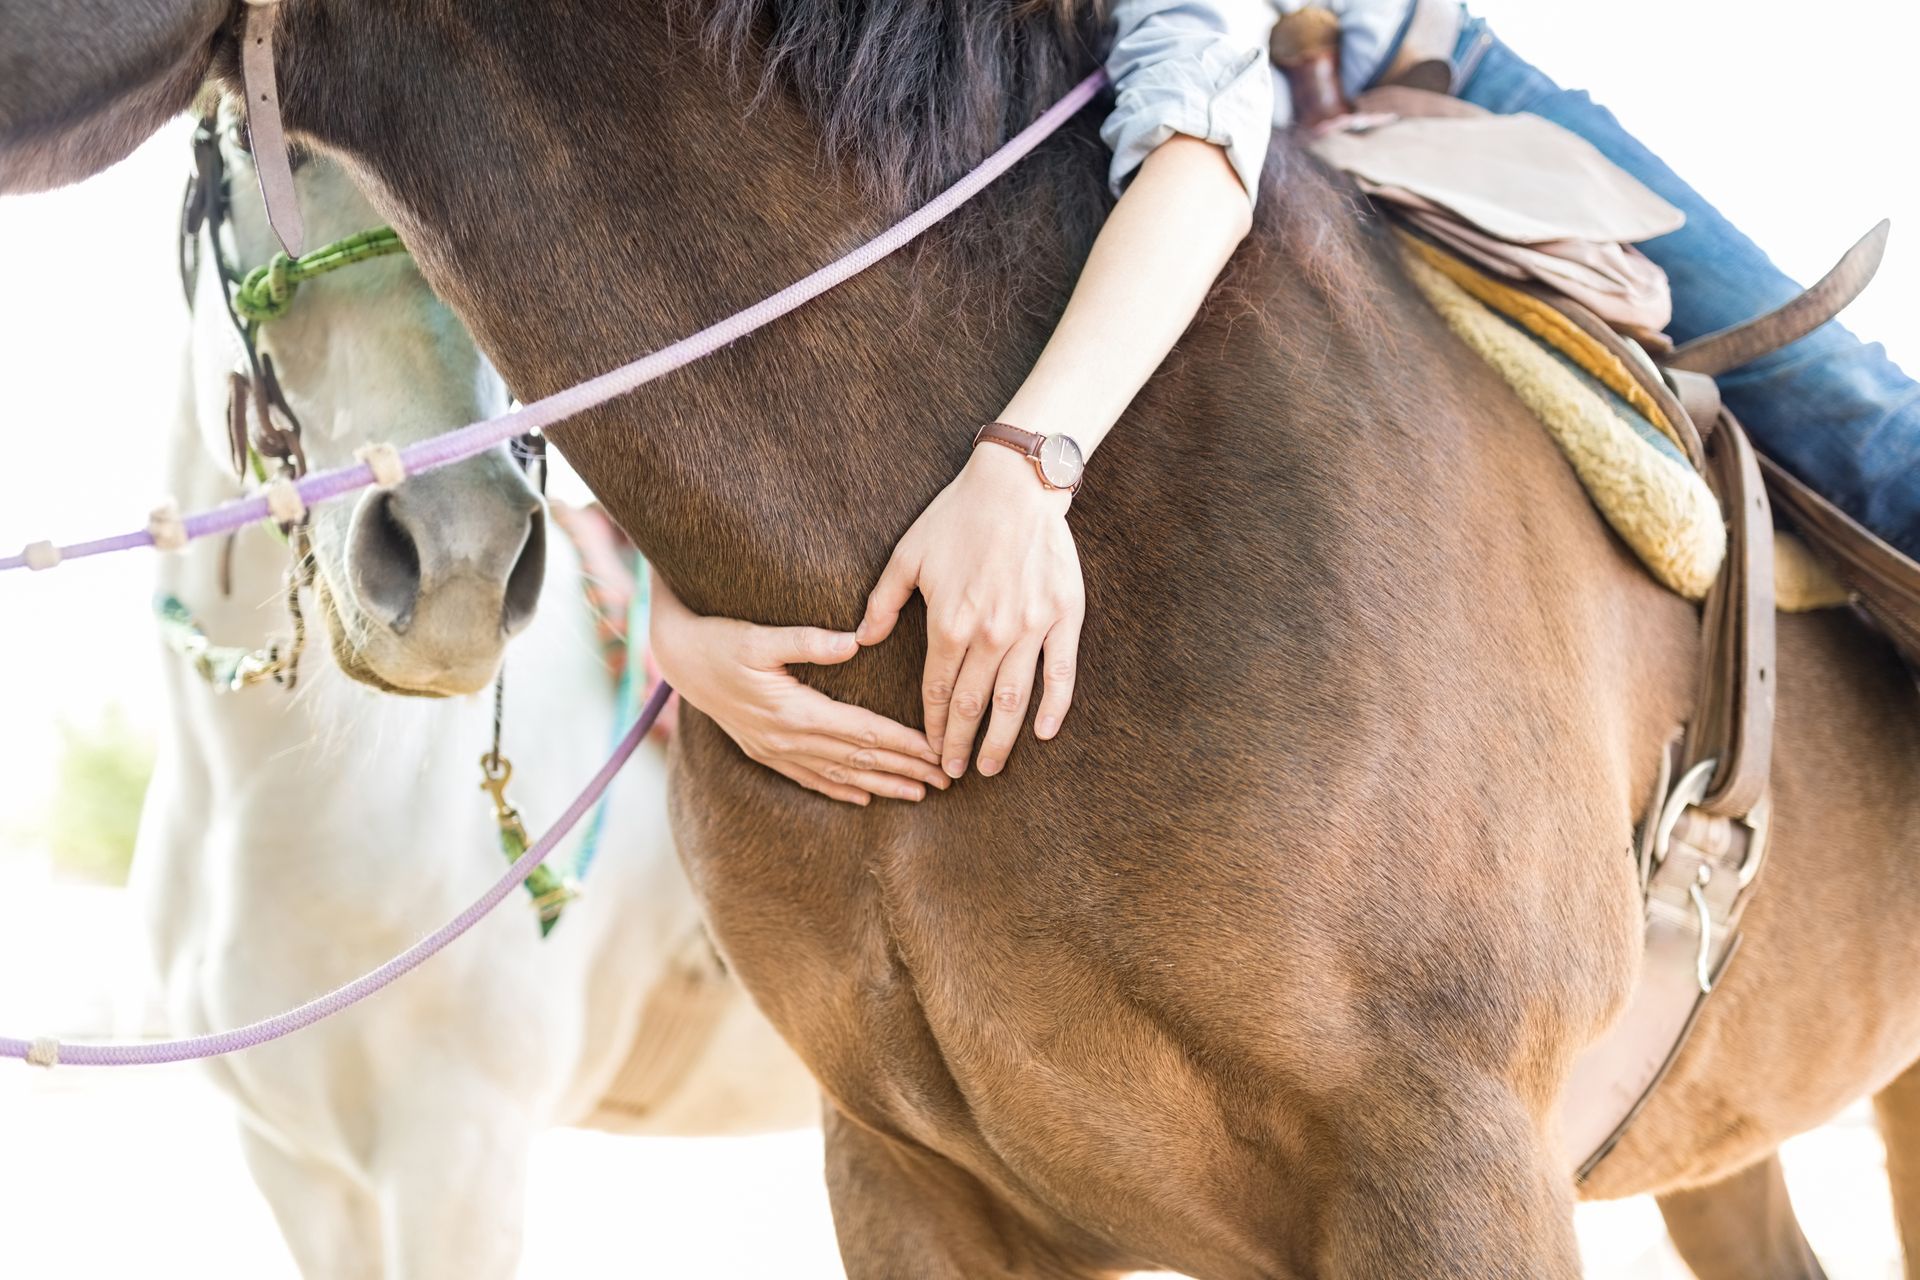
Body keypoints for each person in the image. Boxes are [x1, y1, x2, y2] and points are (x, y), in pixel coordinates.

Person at [651, 0, 1920, 805]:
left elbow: (1201, 144)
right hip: (1061, 147)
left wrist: (1029, 464)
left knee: (1846, 410)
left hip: (1408, 76)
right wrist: (669, 628)